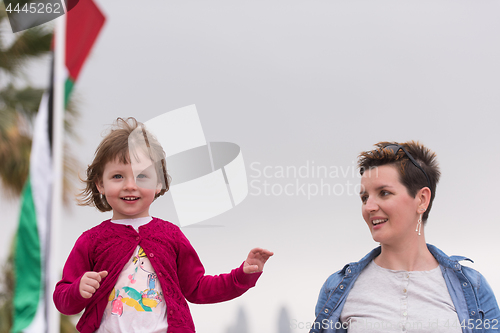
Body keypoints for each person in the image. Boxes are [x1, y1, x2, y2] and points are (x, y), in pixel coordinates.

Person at [53, 118, 273, 333]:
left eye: (142, 176)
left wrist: (242, 276)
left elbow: (197, 288)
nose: (130, 186)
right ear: (101, 183)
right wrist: (77, 290)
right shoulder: (91, 241)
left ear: (159, 183)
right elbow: (63, 301)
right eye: (118, 176)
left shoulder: (171, 235)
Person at [310, 141, 499, 333]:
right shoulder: (336, 288)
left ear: (422, 200)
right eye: (365, 198)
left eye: (384, 193)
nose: (369, 207)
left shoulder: (473, 288)